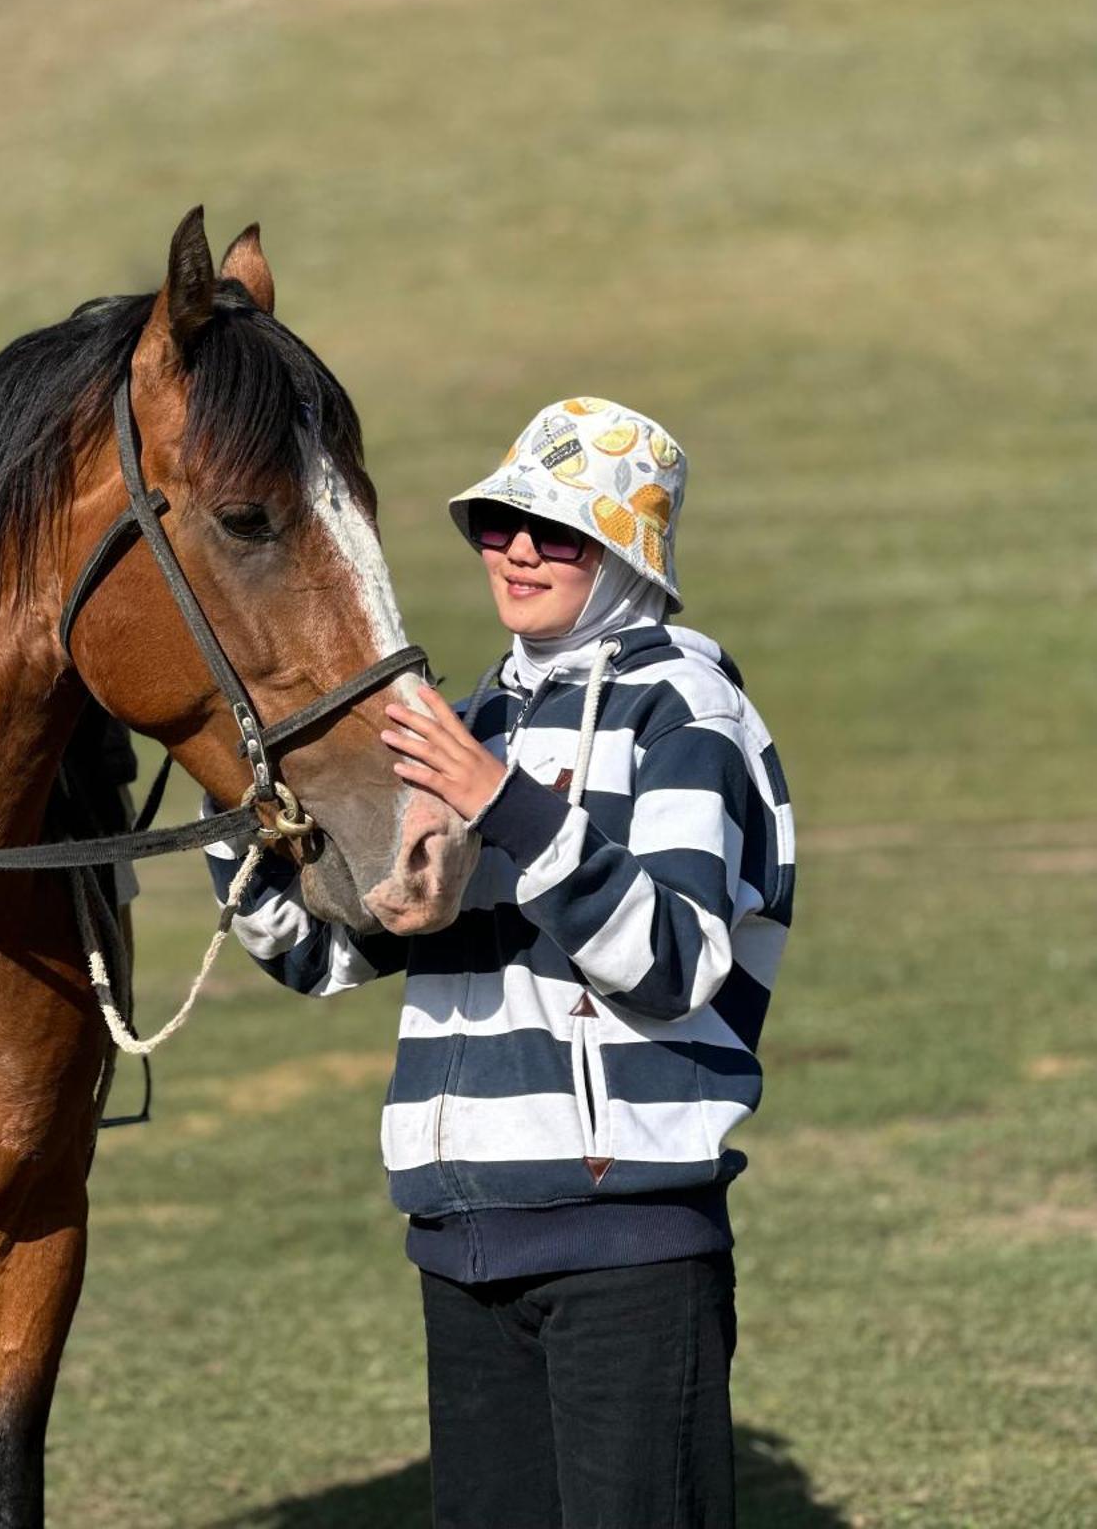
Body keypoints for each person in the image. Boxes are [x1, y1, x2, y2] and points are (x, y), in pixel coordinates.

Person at [207, 396, 794, 1529]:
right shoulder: (472, 718)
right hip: (461, 1249)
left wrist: (505, 803)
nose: (518, 550)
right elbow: (325, 956)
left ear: (629, 552)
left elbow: (676, 956)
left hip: (628, 1246)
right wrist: (230, 802)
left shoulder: (686, 710)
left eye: (561, 530)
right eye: (497, 522)